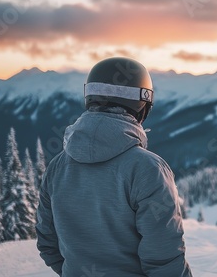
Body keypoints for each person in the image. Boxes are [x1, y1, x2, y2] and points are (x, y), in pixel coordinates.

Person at [36, 57, 192, 276]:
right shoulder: (148, 169)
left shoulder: (57, 167)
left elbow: (47, 243)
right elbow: (164, 258)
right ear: (142, 106)